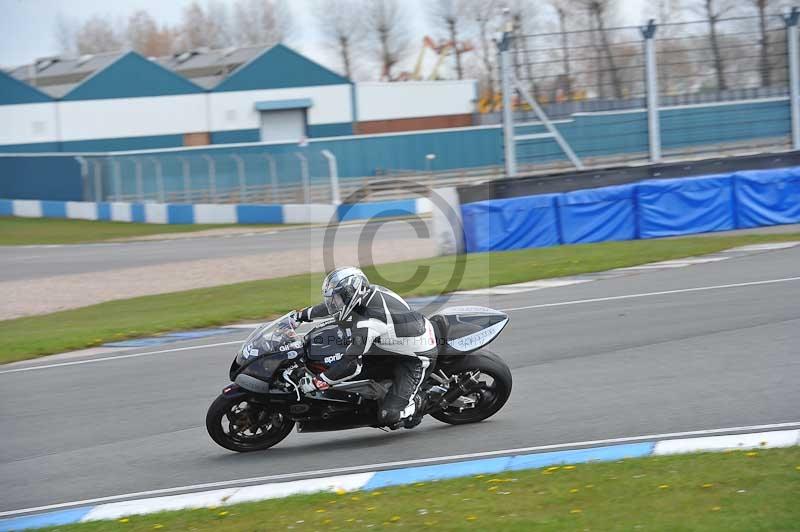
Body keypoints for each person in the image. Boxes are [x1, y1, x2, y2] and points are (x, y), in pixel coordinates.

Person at [294, 266, 437, 428]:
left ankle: (418, 402)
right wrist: (301, 315)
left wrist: (318, 382)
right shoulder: (367, 293)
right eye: (334, 299)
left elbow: (351, 364)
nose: (334, 303)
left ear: (350, 294)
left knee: (389, 416)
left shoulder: (368, 322)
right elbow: (330, 307)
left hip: (416, 357)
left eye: (338, 298)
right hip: (391, 346)